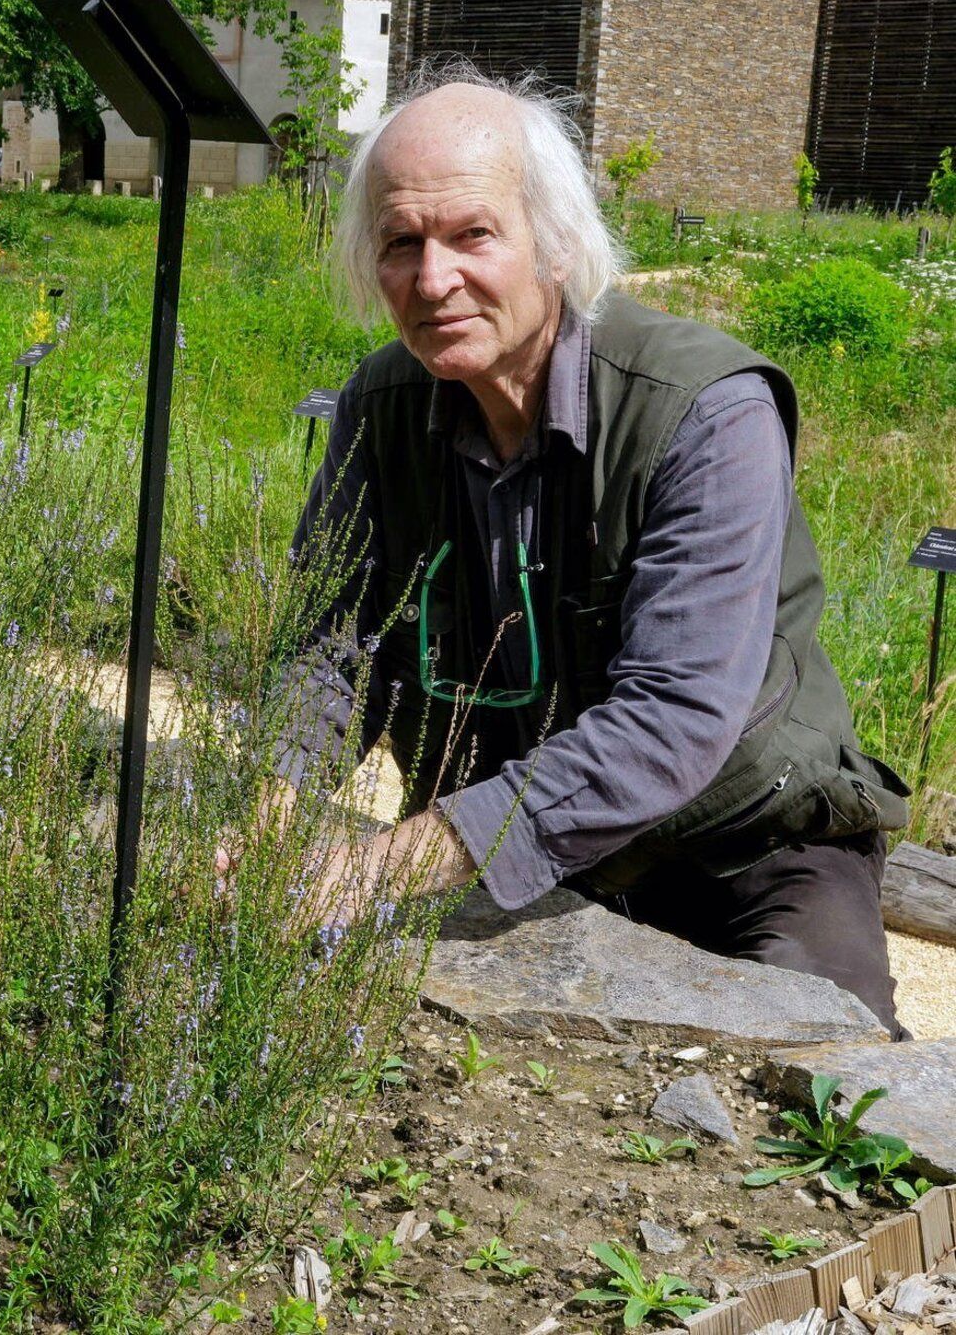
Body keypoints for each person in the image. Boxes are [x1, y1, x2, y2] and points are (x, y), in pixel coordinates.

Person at [269, 71, 911, 1038]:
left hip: (739, 845)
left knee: (832, 1090)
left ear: (555, 244)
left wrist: (382, 863)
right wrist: (274, 802)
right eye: (402, 242)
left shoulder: (705, 410)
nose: (433, 278)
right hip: (507, 840)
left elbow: (674, 716)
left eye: (472, 235)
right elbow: (329, 651)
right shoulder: (381, 406)